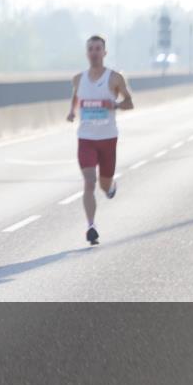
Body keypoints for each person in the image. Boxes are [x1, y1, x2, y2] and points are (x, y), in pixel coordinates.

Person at [66, 35, 133, 245]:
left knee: (103, 185)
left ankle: (110, 186)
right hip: (86, 138)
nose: (94, 53)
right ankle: (91, 226)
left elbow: (129, 102)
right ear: (87, 53)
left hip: (108, 138)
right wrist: (72, 112)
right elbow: (76, 95)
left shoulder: (114, 78)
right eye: (91, 49)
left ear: (104, 53)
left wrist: (114, 105)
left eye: (98, 49)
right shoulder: (78, 78)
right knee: (88, 182)